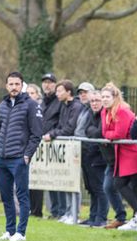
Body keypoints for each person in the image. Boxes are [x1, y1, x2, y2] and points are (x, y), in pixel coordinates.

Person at [0, 71, 43, 241]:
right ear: (6, 86)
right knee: (6, 196)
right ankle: (9, 230)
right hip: (1, 158)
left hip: (18, 158)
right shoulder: (2, 105)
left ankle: (21, 233)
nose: (13, 87)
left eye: (17, 84)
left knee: (22, 195)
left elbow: (37, 134)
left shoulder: (31, 105)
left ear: (22, 86)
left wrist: (27, 155)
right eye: (11, 84)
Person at [101, 83, 137, 231]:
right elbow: (105, 132)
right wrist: (110, 135)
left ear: (115, 97)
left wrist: (110, 135)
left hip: (136, 152)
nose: (105, 100)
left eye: (107, 97)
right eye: (103, 97)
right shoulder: (104, 112)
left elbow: (118, 133)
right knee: (121, 183)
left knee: (130, 185)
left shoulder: (123, 111)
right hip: (124, 153)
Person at [43, 79, 84, 225]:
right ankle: (67, 212)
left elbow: (69, 128)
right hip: (65, 147)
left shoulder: (76, 106)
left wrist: (53, 134)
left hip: (74, 149)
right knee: (66, 182)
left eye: (60, 91)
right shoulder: (63, 106)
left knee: (73, 182)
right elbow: (60, 125)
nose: (57, 93)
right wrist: (54, 132)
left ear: (68, 92)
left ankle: (74, 213)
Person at [76, 87, 109, 227]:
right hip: (88, 155)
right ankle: (92, 215)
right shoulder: (90, 114)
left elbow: (99, 133)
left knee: (100, 188)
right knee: (91, 188)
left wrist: (93, 132)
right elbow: (86, 130)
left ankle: (101, 217)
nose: (94, 103)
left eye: (97, 100)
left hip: (99, 157)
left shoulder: (104, 114)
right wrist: (93, 132)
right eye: (92, 101)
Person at [39, 72, 64, 219]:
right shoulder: (43, 102)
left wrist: (52, 134)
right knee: (50, 180)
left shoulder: (59, 101)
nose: (47, 85)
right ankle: (54, 211)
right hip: (45, 145)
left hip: (57, 144)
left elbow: (61, 123)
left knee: (60, 180)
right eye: (45, 82)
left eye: (50, 82)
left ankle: (61, 211)